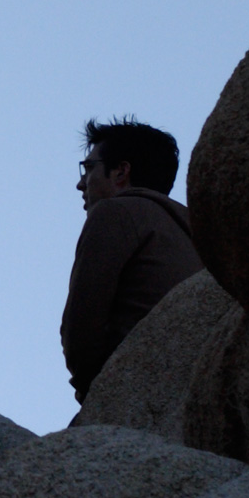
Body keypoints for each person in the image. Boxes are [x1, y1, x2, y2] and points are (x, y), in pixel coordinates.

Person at [61, 117, 203, 404]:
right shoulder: (200, 235)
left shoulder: (115, 213)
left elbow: (81, 326)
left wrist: (94, 394)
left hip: (137, 391)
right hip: (196, 386)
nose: (80, 183)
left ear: (121, 171)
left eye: (89, 168)